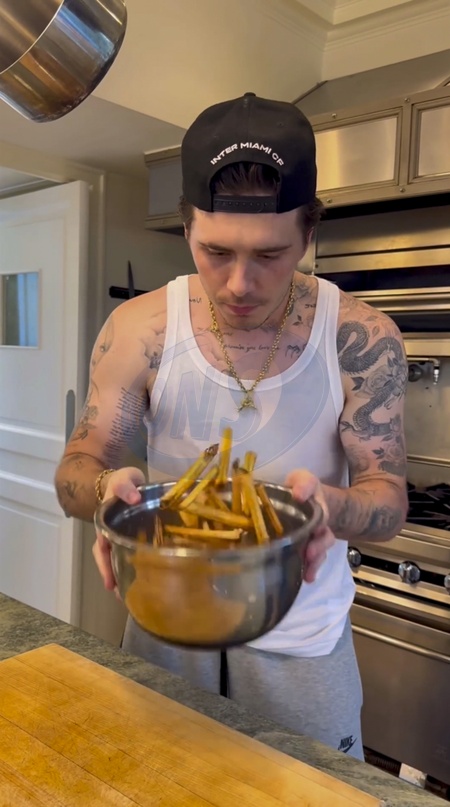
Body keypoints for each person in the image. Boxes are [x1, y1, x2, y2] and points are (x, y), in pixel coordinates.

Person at [55, 92, 408, 760]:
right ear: (187, 225)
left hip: (301, 640)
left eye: (270, 255)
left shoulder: (360, 338)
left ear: (309, 234)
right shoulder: (140, 330)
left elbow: (387, 498)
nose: (240, 283)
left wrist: (331, 508)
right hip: (165, 625)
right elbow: (78, 467)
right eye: (215, 250)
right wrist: (105, 492)